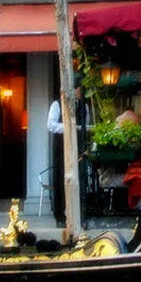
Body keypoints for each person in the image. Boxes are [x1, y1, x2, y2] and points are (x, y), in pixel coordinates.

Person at [46, 81, 91, 226]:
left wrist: (81, 130)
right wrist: (70, 127)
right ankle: (60, 216)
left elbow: (86, 124)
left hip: (78, 148)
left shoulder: (84, 106)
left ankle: (80, 215)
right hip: (61, 148)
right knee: (60, 180)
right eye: (79, 90)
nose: (80, 93)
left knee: (81, 179)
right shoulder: (57, 105)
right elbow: (51, 125)